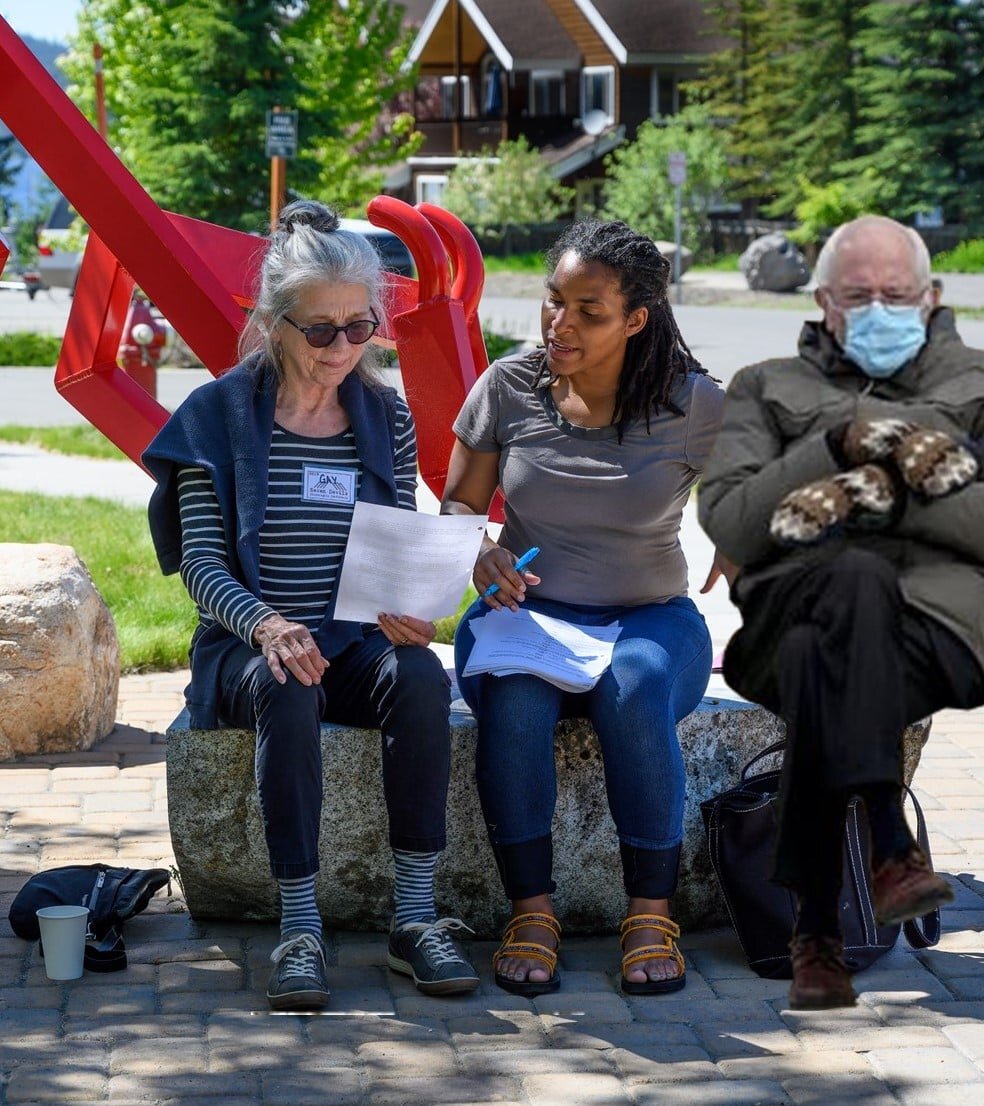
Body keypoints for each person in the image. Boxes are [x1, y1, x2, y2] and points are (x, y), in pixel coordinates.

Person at [143, 200, 478, 1011]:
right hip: (244, 643)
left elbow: (394, 534)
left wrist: (405, 604)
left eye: (359, 328)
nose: (341, 349)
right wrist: (264, 623)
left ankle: (413, 916)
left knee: (423, 677)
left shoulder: (384, 415)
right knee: (289, 684)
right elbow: (199, 562)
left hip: (349, 638)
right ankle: (300, 925)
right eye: (320, 330)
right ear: (274, 321)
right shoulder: (215, 417)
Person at [698, 214, 984, 1010]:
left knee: (822, 647)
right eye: (856, 295)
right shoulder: (763, 385)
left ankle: (816, 934)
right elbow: (728, 523)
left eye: (894, 293)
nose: (878, 308)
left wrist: (870, 495)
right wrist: (832, 445)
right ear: (823, 301)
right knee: (843, 595)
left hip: (937, 632)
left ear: (930, 295)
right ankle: (887, 849)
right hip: (781, 613)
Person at [440, 220, 724, 997]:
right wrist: (480, 554)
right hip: (525, 617)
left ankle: (649, 913)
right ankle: (531, 911)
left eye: (587, 310)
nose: (559, 323)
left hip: (649, 617)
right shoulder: (507, 386)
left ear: (635, 319)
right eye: (552, 301)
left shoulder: (691, 402)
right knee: (515, 703)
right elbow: (459, 508)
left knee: (631, 685)